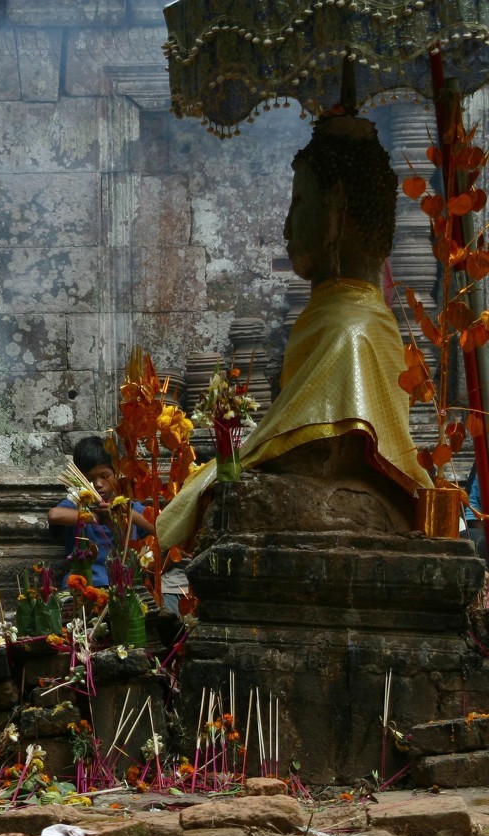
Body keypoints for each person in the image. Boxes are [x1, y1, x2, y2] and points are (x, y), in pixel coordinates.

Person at [158, 115, 432, 549]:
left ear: (337, 207)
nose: (287, 228)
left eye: (299, 204)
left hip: (346, 502)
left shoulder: (350, 329)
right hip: (336, 495)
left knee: (235, 498)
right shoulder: (336, 316)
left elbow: (320, 453)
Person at [48, 436, 155, 586]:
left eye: (105, 476)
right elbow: (54, 515)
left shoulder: (126, 506)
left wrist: (123, 513)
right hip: (81, 584)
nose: (98, 484)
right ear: (80, 479)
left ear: (116, 474)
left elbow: (160, 528)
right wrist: (94, 516)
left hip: (123, 586)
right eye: (90, 479)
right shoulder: (78, 503)